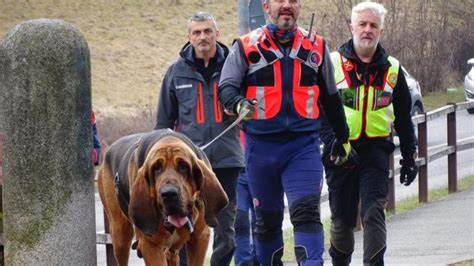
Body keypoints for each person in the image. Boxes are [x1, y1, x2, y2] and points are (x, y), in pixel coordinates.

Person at [219, 0, 351, 264]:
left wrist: (342, 138)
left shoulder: (316, 45)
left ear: (299, 6)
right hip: (260, 149)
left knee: (306, 214)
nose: (287, 6)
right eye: (280, 1)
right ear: (266, 6)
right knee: (267, 223)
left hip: (303, 147)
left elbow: (331, 98)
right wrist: (238, 103)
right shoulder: (245, 46)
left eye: (292, 0)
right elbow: (226, 88)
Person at [320, 2, 419, 265]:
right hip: (340, 150)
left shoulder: (393, 69)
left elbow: (404, 117)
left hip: (376, 150)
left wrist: (410, 155)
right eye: (362, 24)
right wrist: (334, 143)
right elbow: (319, 113)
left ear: (381, 30)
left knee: (374, 211)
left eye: (373, 25)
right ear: (351, 27)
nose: (367, 30)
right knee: (342, 217)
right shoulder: (331, 63)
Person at [155, 12, 244, 266]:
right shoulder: (175, 72)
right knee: (184, 227)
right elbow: (162, 125)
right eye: (197, 32)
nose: (203, 37)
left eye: (207, 31)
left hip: (227, 160)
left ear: (217, 34)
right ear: (189, 37)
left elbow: (249, 111)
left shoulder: (234, 67)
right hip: (187, 166)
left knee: (227, 232)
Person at [233, 133, 258, 266]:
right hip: (237, 167)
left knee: (261, 220)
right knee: (239, 220)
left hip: (258, 164)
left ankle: (259, 259)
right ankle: (243, 263)